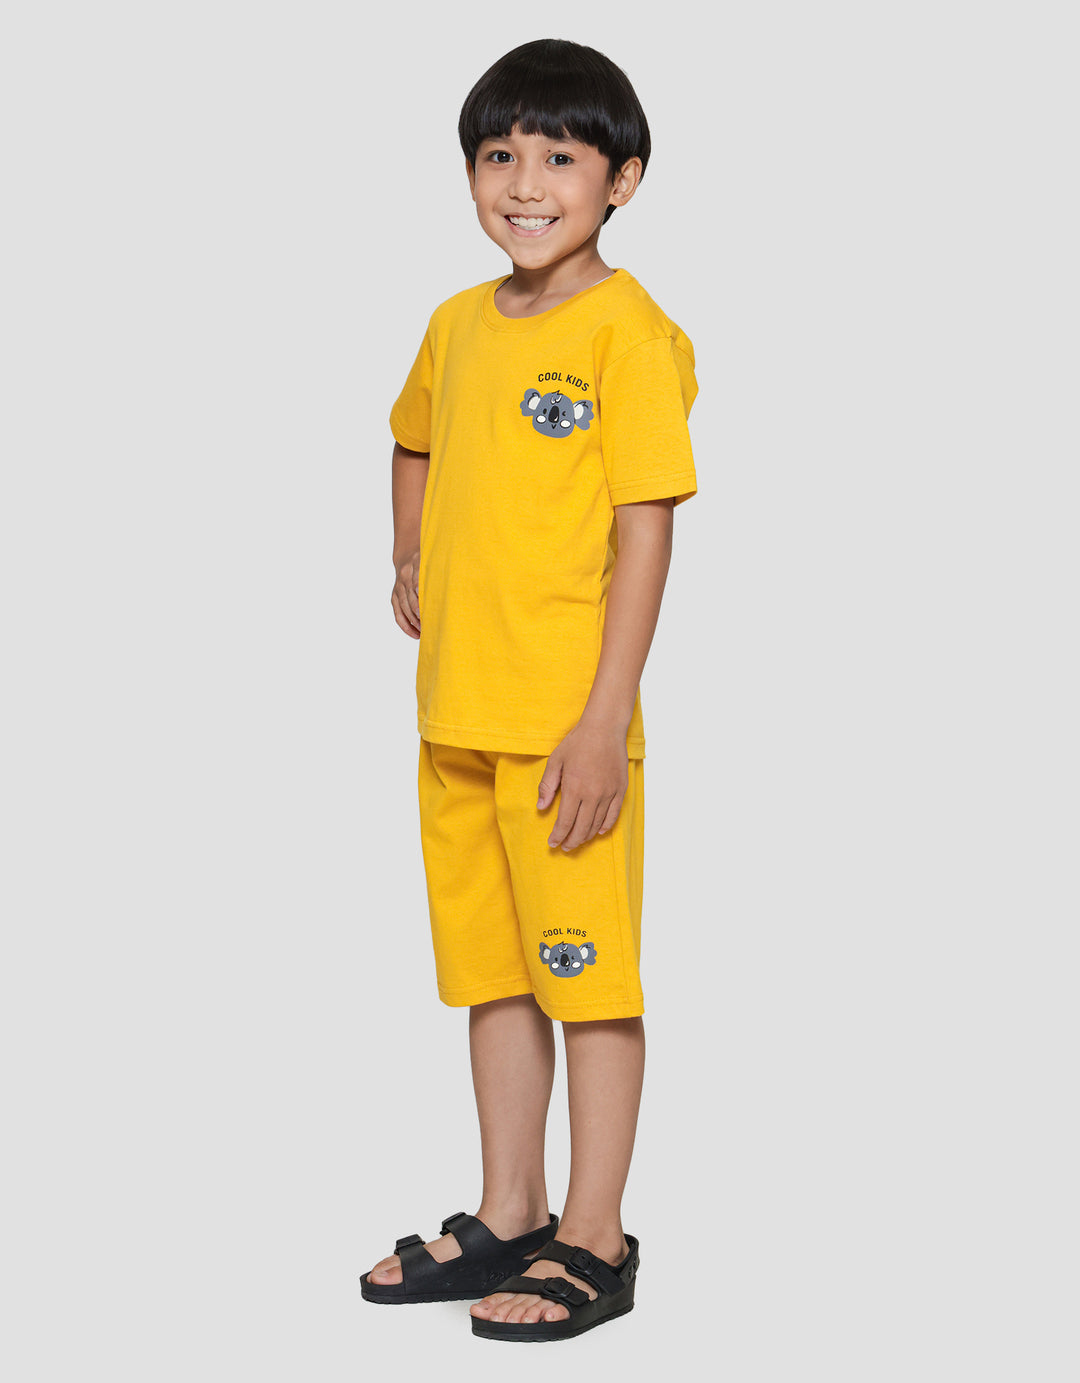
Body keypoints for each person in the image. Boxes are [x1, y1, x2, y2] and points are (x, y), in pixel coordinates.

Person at [361, 37, 698, 1342]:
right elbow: (411, 437)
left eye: (560, 156)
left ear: (623, 179)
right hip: (454, 721)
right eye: (499, 154)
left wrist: (605, 718)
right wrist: (408, 548)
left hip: (566, 735)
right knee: (494, 978)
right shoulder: (455, 324)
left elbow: (646, 529)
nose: (524, 182)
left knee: (587, 981)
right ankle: (513, 1207)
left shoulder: (629, 335)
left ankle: (594, 1234)